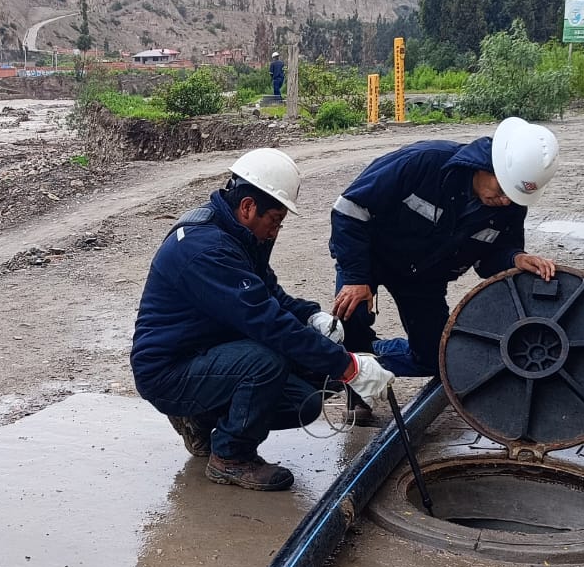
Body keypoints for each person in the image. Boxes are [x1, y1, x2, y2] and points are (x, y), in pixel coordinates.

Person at [131, 148, 396, 491]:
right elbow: (267, 322)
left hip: (206, 353)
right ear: (247, 207)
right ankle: (230, 457)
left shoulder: (239, 236)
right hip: (169, 370)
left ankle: (198, 417)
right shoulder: (206, 249)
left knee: (307, 400)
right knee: (264, 362)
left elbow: (270, 296)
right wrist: (349, 367)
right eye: (274, 221)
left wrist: (311, 316)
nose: (275, 232)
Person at [328, 118, 561, 382]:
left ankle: (373, 357)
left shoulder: (511, 208)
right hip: (371, 258)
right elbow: (348, 209)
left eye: (513, 197)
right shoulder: (424, 162)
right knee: (351, 319)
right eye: (502, 189)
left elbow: (489, 262)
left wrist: (515, 258)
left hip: (425, 279)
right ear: (488, 165)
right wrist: (356, 278)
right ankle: (355, 389)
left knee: (437, 359)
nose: (505, 200)